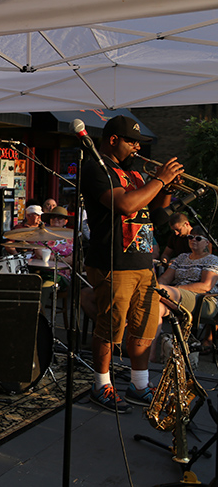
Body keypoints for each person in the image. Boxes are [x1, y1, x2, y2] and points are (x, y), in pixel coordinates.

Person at [81, 115, 183, 413]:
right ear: (113, 140)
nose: (137, 148)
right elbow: (124, 205)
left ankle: (140, 385)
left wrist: (166, 189)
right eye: (132, 141)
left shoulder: (137, 175)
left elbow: (158, 216)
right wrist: (160, 180)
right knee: (110, 326)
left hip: (143, 262)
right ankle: (102, 385)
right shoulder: (97, 169)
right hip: (113, 261)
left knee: (144, 325)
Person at [155, 227, 218, 353]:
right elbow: (164, 279)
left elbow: (205, 286)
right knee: (155, 308)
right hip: (176, 297)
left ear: (207, 242)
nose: (193, 240)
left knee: (159, 289)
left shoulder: (212, 260)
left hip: (203, 300)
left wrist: (173, 289)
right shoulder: (181, 257)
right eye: (190, 237)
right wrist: (160, 286)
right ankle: (148, 356)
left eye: (198, 238)